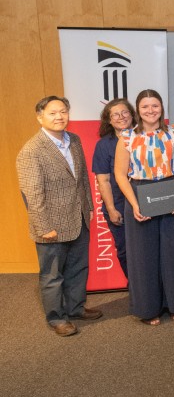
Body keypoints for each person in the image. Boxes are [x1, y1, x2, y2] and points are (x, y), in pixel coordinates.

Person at [17, 96, 102, 337]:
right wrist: (43, 226)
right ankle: (57, 318)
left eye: (63, 111)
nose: (59, 117)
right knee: (52, 275)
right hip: (50, 225)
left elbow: (83, 177)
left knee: (78, 267)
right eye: (53, 113)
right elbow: (32, 193)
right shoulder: (32, 150)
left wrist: (89, 207)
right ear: (40, 117)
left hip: (79, 218)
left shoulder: (72, 140)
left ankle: (75, 308)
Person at [114, 89, 174, 326]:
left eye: (155, 106)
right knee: (143, 256)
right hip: (139, 194)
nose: (151, 111)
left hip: (171, 192)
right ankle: (149, 309)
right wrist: (135, 204)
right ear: (138, 110)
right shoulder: (126, 138)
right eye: (146, 106)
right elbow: (119, 173)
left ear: (162, 108)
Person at [92, 98, 137, 278]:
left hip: (147, 202)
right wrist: (111, 208)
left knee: (147, 250)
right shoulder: (104, 145)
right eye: (115, 115)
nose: (121, 117)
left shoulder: (145, 137)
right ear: (109, 120)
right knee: (125, 251)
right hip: (118, 205)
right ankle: (135, 288)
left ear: (133, 115)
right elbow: (103, 180)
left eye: (124, 112)